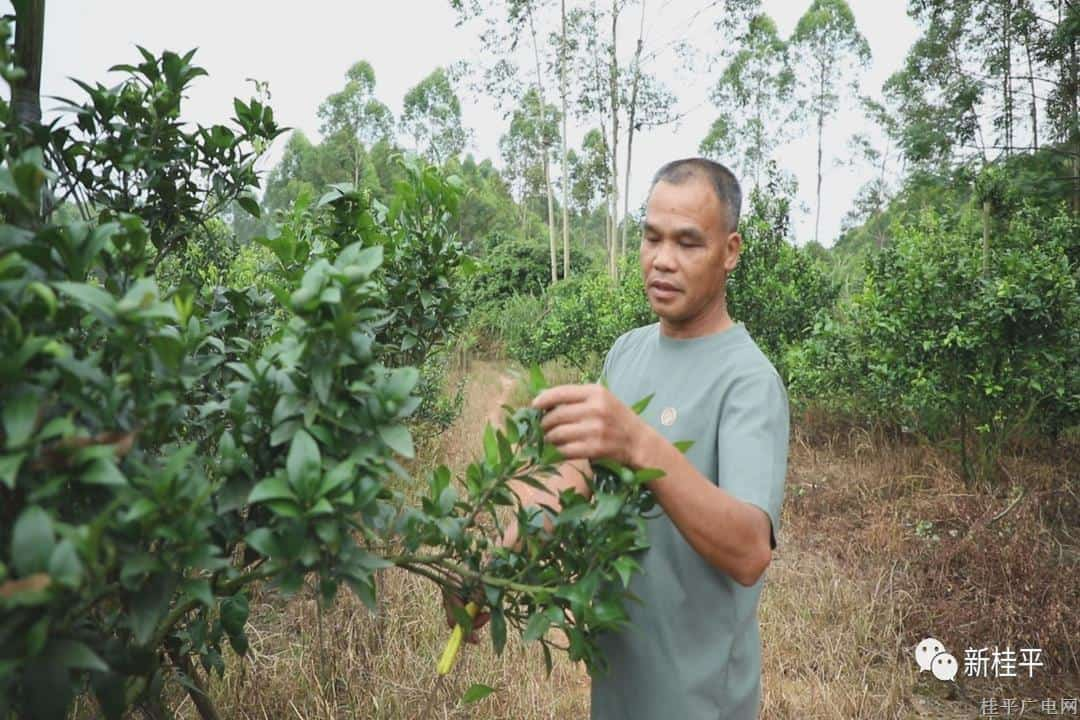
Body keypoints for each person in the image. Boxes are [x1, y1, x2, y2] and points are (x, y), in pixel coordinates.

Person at [445, 157, 790, 719]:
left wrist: (639, 444)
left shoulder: (749, 381)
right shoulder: (627, 352)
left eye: (688, 243)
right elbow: (574, 479)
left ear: (730, 252)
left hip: (700, 701)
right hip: (619, 685)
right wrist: (494, 564)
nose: (662, 260)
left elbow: (751, 551)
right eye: (651, 238)